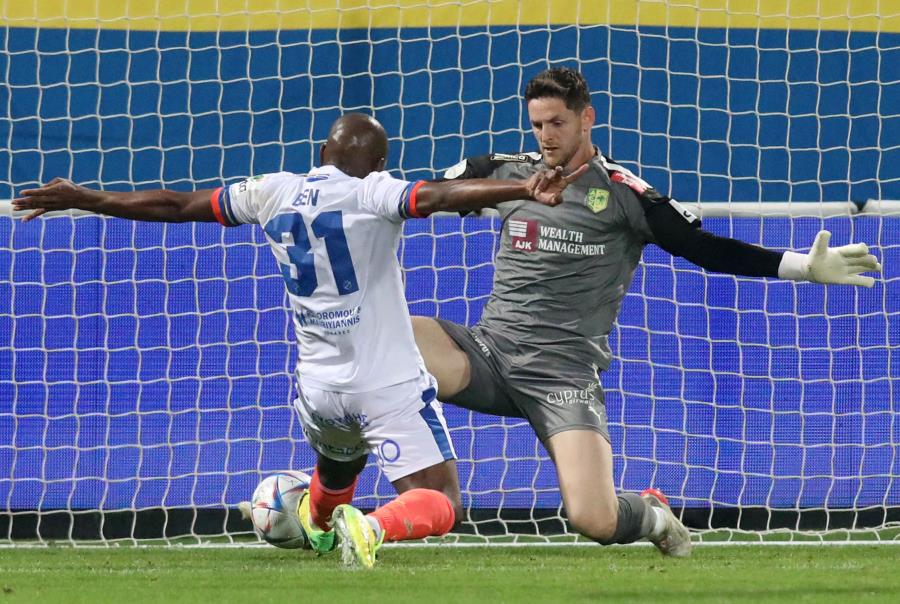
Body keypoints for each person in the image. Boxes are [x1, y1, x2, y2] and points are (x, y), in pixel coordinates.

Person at [14, 113, 584, 568]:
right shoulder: (373, 192)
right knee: (442, 499)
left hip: (317, 389)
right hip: (383, 384)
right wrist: (523, 186)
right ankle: (371, 527)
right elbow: (435, 197)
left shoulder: (273, 191)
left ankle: (317, 526)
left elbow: (177, 205)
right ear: (378, 165)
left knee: (337, 472)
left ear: (321, 153)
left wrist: (88, 197)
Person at [411, 67, 882, 557]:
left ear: (586, 118)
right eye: (537, 125)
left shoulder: (623, 193)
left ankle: (655, 516)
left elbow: (704, 248)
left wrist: (802, 266)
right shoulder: (506, 172)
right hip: (488, 353)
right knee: (387, 347)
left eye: (557, 123)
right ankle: (384, 493)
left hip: (563, 376)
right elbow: (424, 195)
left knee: (594, 519)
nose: (546, 136)